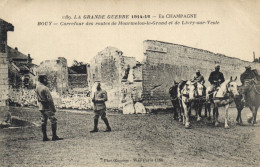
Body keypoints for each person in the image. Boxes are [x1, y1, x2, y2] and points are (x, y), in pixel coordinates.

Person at [35, 75, 63, 141]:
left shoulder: (37, 87)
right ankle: (54, 136)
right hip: (47, 106)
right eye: (46, 79)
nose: (47, 81)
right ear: (43, 80)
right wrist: (53, 108)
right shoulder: (45, 88)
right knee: (53, 120)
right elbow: (50, 99)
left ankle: (44, 137)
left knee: (43, 121)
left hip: (41, 107)